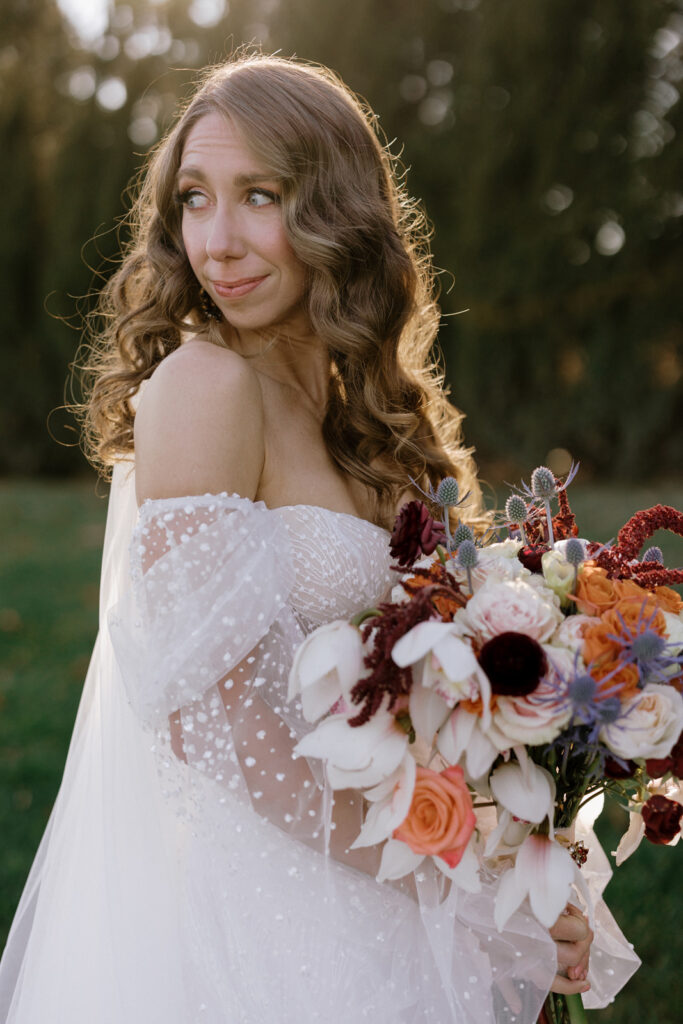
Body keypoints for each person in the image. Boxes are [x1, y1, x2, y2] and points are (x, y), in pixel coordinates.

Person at [0, 53, 636, 1023]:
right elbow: (213, 721)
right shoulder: (207, 386)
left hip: (377, 873)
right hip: (265, 917)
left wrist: (525, 858)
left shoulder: (361, 414)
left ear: (334, 209)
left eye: (258, 195)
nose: (215, 242)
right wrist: (456, 887)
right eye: (193, 199)